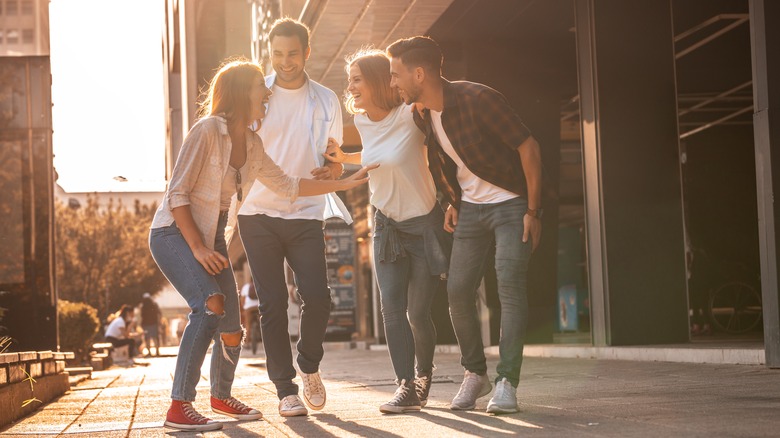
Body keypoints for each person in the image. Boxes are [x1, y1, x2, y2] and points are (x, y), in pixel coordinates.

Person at [149, 58, 375, 432]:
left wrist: (347, 184)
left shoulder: (251, 144)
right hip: (175, 233)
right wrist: (200, 249)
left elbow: (289, 185)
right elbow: (177, 195)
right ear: (240, 93)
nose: (267, 93)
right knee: (209, 306)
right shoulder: (207, 131)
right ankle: (179, 405)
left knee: (233, 326)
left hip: (211, 237)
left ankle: (220, 396)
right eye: (260, 87)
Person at [387, 36, 543, 414]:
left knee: (508, 287)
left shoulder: (478, 99)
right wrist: (452, 202)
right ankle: (476, 373)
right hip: (471, 209)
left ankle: (507, 382)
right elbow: (445, 162)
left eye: (396, 74)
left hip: (511, 204)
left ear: (419, 73)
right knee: (457, 292)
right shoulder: (423, 113)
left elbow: (529, 147)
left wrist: (533, 212)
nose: (393, 83)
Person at [323, 49, 450, 414]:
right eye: (350, 80)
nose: (350, 86)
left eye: (357, 79)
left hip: (423, 225)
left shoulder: (412, 115)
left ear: (380, 80)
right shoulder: (363, 123)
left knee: (417, 313)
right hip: (386, 226)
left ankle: (423, 376)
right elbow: (373, 155)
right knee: (391, 310)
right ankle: (405, 385)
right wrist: (342, 158)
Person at [236, 18, 350, 418]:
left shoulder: (326, 100)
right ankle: (285, 388)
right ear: (271, 55)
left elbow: (333, 159)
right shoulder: (257, 95)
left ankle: (310, 366)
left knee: (318, 298)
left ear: (306, 52)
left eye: (293, 54)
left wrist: (333, 172)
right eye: (278, 54)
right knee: (272, 302)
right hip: (257, 212)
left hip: (305, 212)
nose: (286, 62)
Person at [239, 281, 261, 353]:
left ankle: (247, 343)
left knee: (247, 324)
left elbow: (242, 299)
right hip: (259, 307)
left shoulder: (246, 286)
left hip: (249, 308)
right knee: (264, 323)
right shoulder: (261, 285)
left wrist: (243, 308)